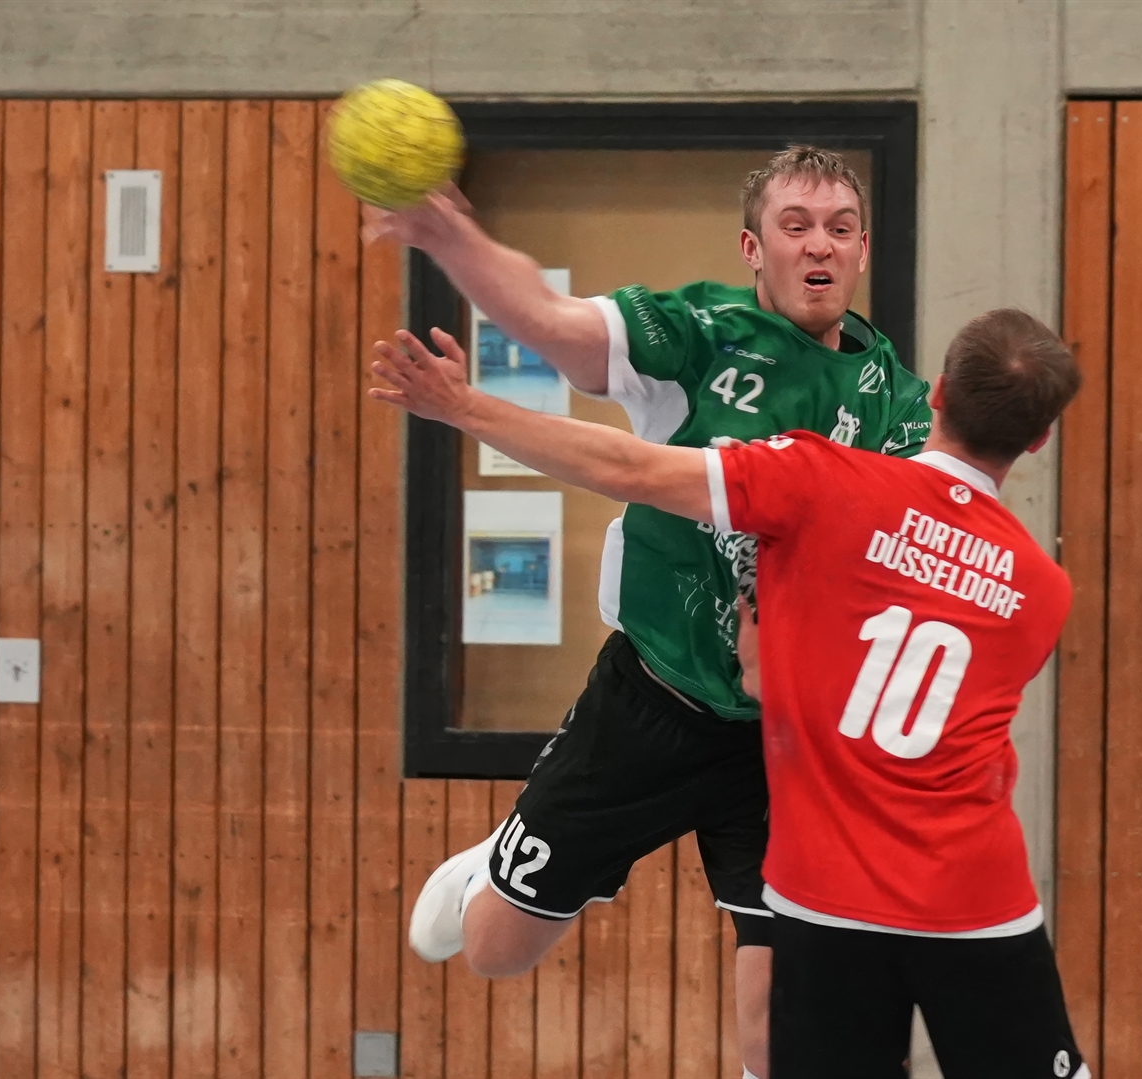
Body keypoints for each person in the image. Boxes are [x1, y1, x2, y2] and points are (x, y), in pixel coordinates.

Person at [368, 307, 1088, 1079]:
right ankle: (498, 859)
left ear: (937, 393)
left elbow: (627, 467)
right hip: (718, 739)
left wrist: (465, 406)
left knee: (776, 1045)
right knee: (496, 948)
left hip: (818, 835)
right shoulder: (1042, 591)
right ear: (1040, 438)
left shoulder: (828, 478)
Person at [371, 146, 933, 1077]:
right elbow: (550, 321)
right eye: (795, 226)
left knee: (781, 1026)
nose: (819, 246)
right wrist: (451, 237)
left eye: (839, 229)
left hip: (783, 738)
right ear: (754, 248)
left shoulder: (895, 405)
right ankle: (492, 863)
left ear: (864, 249)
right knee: (496, 951)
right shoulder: (697, 336)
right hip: (650, 705)